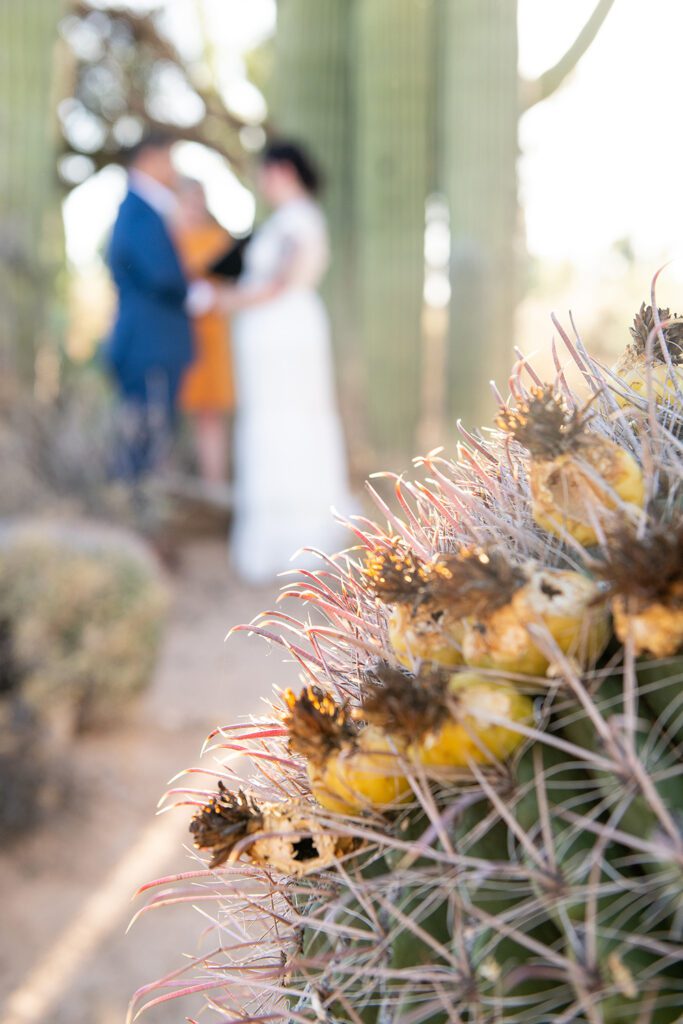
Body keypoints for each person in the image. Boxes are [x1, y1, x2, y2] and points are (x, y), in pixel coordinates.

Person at [220, 141, 353, 584]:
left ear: (281, 170)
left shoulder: (299, 219)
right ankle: (277, 528)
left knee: (289, 418)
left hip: (284, 333)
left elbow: (279, 282)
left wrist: (222, 300)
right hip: (272, 333)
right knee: (273, 418)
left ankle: (295, 530)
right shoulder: (287, 220)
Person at [106, 132, 192, 478]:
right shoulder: (140, 210)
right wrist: (196, 293)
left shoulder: (146, 208)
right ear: (150, 159)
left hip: (153, 343)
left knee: (149, 438)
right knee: (143, 442)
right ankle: (131, 517)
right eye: (170, 159)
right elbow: (161, 275)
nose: (174, 170)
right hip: (150, 344)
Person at [175, 178, 235, 487]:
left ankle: (213, 485)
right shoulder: (169, 239)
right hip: (178, 332)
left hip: (212, 334)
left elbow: (232, 284)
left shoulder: (218, 239)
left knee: (210, 415)